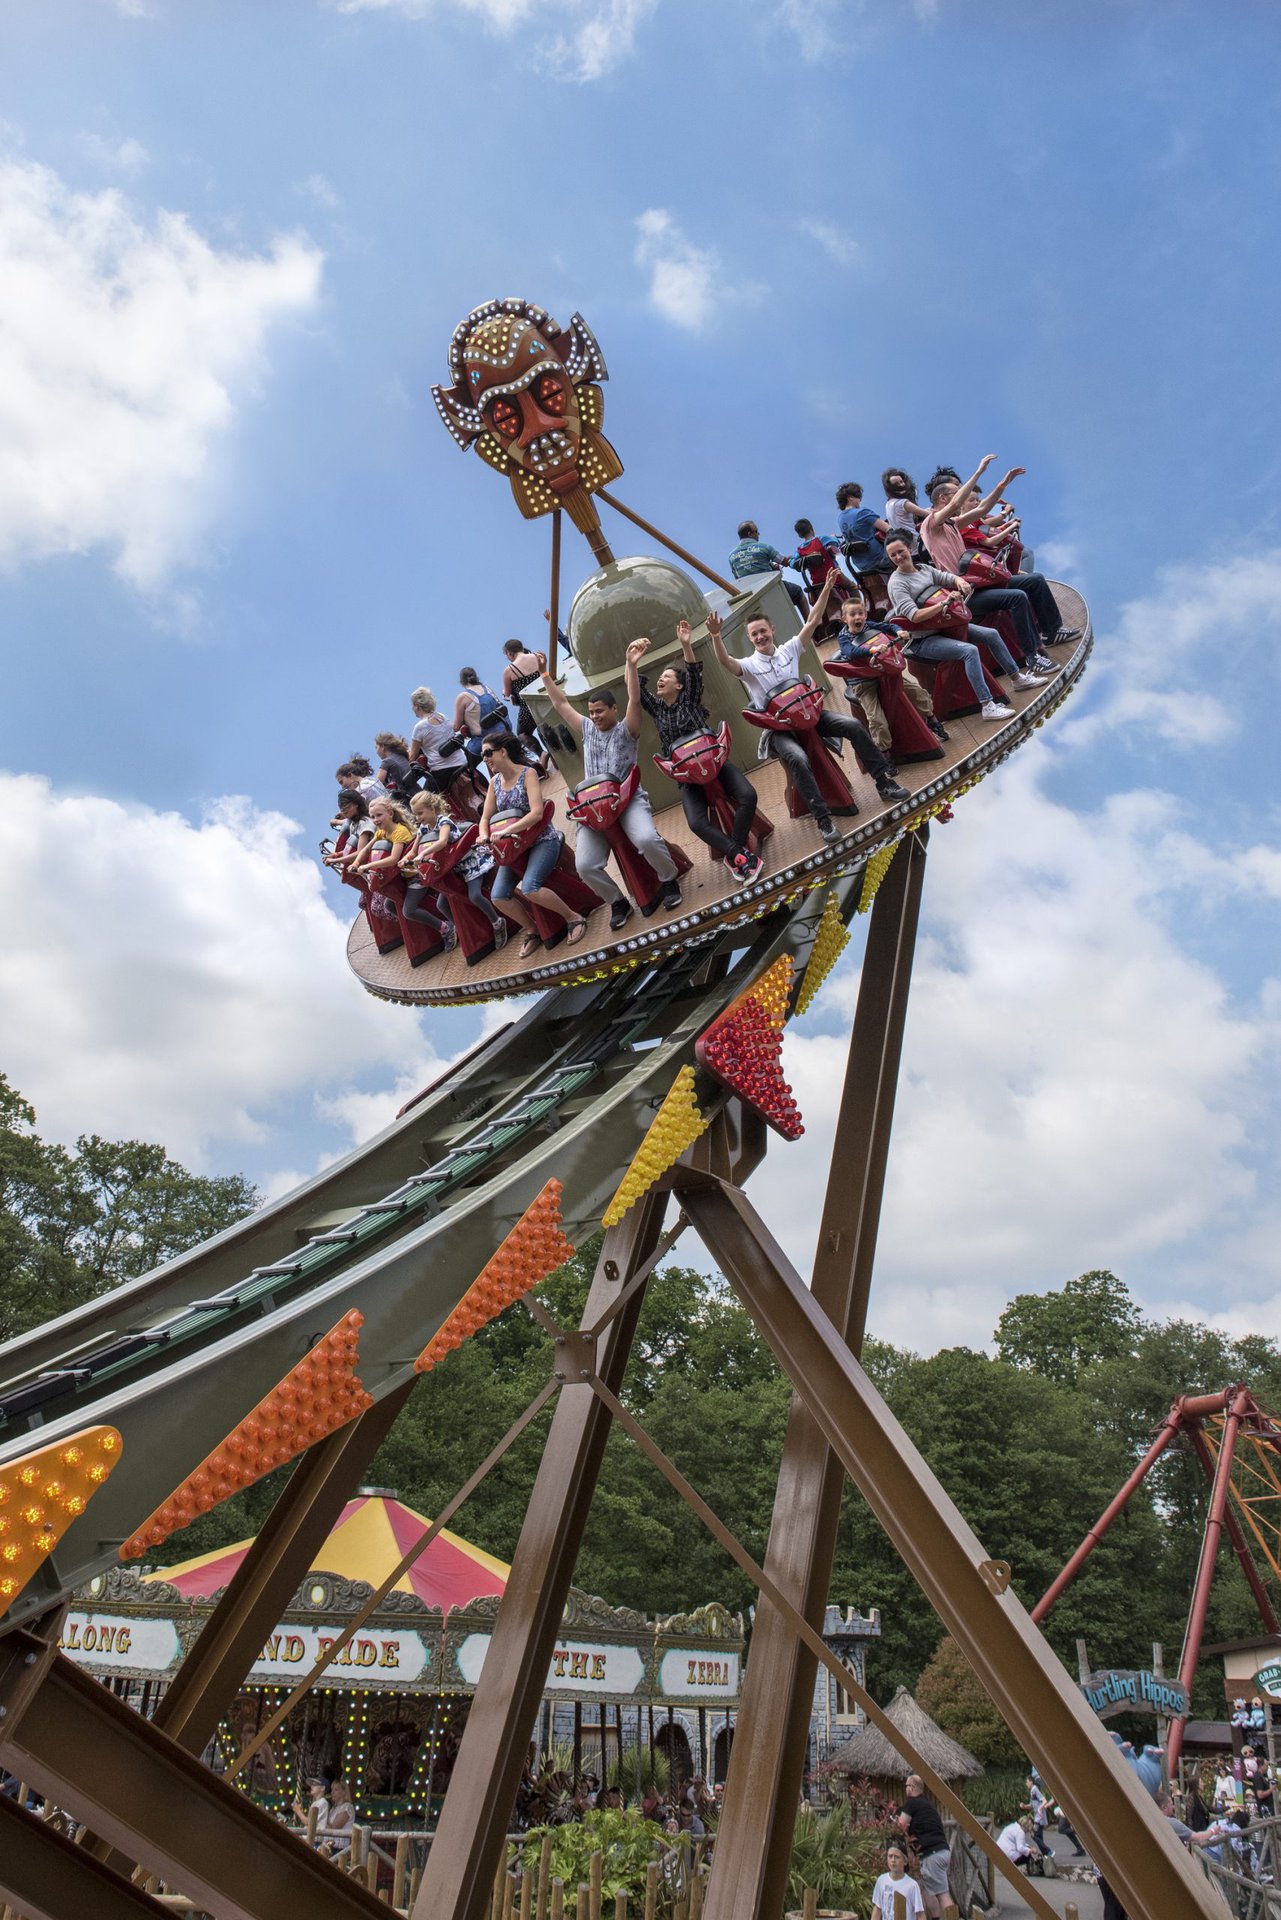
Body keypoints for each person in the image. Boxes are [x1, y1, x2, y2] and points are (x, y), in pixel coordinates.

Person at [711, 575, 909, 843]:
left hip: (808, 714)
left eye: (763, 631)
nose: (760, 637)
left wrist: (826, 588)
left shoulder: (789, 649)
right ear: (750, 638)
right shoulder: (748, 666)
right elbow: (725, 661)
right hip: (779, 729)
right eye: (754, 634)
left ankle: (883, 782)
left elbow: (813, 620)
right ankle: (823, 819)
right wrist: (715, 636)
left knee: (853, 726)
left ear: (772, 629)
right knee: (798, 758)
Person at [538, 664, 683, 929]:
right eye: (591, 712)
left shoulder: (627, 730)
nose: (594, 717)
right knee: (585, 865)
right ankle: (617, 901)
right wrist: (544, 674)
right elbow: (560, 703)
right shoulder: (587, 729)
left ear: (613, 710)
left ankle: (668, 878)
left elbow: (635, 699)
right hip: (593, 806)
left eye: (600, 711)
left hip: (624, 798)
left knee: (646, 839)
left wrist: (630, 663)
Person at [628, 621, 764, 885]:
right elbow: (636, 695)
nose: (660, 680)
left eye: (666, 677)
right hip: (687, 776)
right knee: (696, 823)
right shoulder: (658, 710)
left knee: (748, 795)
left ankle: (735, 851)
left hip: (714, 761)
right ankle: (739, 854)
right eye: (660, 678)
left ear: (678, 686)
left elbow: (692, 672)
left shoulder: (688, 699)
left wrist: (686, 644)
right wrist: (631, 664)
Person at [919, 458, 1078, 659]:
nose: (962, 494)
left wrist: (1003, 483)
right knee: (1017, 597)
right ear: (943, 498)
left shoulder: (952, 523)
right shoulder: (931, 523)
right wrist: (979, 471)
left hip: (981, 582)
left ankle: (1052, 631)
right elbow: (958, 502)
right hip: (967, 592)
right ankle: (1032, 657)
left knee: (1035, 580)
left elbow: (982, 510)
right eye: (956, 491)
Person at [884, 529, 1046, 721]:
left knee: (991, 634)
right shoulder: (897, 583)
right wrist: (943, 604)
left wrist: (960, 581)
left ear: (909, 548)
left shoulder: (923, 569)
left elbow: (946, 577)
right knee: (969, 651)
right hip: (924, 639)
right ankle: (987, 705)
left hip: (944, 626)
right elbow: (915, 616)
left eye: (900, 551)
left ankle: (1017, 679)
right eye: (892, 555)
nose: (898, 557)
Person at [478, 730, 589, 957]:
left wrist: (508, 830)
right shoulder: (494, 783)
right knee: (498, 896)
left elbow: (537, 813)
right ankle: (533, 929)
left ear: (503, 751)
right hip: (513, 848)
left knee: (531, 888)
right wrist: (483, 834)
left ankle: (573, 917)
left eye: (488, 753)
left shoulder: (527, 774)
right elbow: (485, 818)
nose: (485, 759)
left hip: (540, 841)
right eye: (482, 756)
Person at [835, 594, 947, 753]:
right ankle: (885, 753)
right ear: (844, 619)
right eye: (852, 615)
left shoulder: (868, 625)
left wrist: (899, 631)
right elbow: (850, 652)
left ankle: (932, 720)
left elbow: (888, 626)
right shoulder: (844, 637)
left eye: (860, 613)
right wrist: (871, 650)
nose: (857, 617)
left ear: (865, 615)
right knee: (876, 718)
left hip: (883, 672)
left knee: (917, 692)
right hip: (863, 682)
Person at [407, 789, 508, 948]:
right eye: (416, 815)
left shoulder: (443, 822)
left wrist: (423, 854)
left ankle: (497, 922)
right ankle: (466, 927)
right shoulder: (424, 828)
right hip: (452, 868)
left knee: (474, 895)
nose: (418, 818)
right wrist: (407, 859)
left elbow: (442, 842)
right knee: (442, 905)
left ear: (432, 809)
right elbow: (414, 848)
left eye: (420, 813)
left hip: (469, 863)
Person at [896, 1775, 955, 1919]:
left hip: (931, 1854)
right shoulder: (927, 1804)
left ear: (913, 1787)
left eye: (906, 1786)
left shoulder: (912, 1803)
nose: (905, 1789)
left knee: (942, 1894)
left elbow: (900, 1826)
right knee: (929, 1890)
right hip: (942, 1851)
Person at [728, 520, 809, 620]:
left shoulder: (731, 556)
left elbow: (738, 579)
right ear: (750, 533)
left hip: (750, 595)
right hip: (770, 588)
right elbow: (785, 561)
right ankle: (812, 629)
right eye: (756, 531)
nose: (758, 534)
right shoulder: (764, 548)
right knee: (798, 592)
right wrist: (801, 554)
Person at [788, 518, 857, 630]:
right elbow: (836, 544)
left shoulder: (800, 550)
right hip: (834, 576)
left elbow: (792, 563)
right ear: (811, 528)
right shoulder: (821, 539)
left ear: (800, 535)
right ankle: (859, 609)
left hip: (817, 582)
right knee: (852, 587)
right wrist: (833, 537)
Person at [835, 483, 893, 610]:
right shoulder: (862, 512)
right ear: (850, 498)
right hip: (879, 559)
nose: (860, 500)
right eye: (858, 497)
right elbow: (889, 529)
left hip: (861, 565)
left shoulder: (840, 518)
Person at [501, 638, 553, 772]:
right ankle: (554, 753)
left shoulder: (509, 670)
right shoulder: (537, 657)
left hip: (528, 707)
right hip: (546, 700)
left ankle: (542, 753)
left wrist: (505, 693)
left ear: (510, 653)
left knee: (522, 733)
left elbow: (507, 692)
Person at [409, 688, 471, 795]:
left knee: (423, 802)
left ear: (417, 706)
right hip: (462, 762)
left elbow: (412, 757)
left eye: (413, 705)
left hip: (443, 771)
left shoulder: (420, 727)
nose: (412, 708)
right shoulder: (442, 716)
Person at [872, 1843, 926, 1919]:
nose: (893, 1860)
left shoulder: (912, 1885)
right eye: (890, 1856)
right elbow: (877, 1908)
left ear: (905, 1861)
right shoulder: (881, 1880)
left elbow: (920, 1914)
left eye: (897, 1857)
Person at [882, 468, 929, 540]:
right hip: (916, 541)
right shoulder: (903, 503)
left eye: (901, 482)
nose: (900, 485)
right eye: (896, 484)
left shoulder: (888, 504)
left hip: (905, 542)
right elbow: (929, 514)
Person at [292, 1776, 330, 1845]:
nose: (312, 1786)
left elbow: (309, 1822)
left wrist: (298, 1812)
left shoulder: (323, 1802)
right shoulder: (316, 1803)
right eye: (312, 1784)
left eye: (315, 1784)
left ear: (322, 1788)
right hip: (309, 1838)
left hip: (314, 1840)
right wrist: (301, 1812)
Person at [323, 1778, 354, 1859]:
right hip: (329, 1845)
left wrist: (322, 1819)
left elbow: (334, 1827)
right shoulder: (333, 1809)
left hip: (339, 1848)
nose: (332, 1792)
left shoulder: (347, 1807)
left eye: (336, 1790)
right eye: (332, 1789)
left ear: (344, 1792)